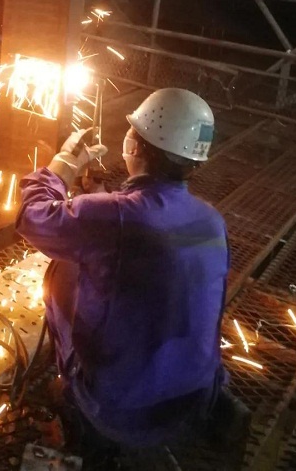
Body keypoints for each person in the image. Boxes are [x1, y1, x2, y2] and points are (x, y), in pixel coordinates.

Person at [16, 88, 230, 450]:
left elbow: (31, 217)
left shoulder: (117, 217)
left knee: (61, 270)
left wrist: (62, 166)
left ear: (136, 147)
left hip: (121, 413)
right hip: (195, 399)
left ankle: (73, 393)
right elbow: (152, 242)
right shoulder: (211, 220)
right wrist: (101, 201)